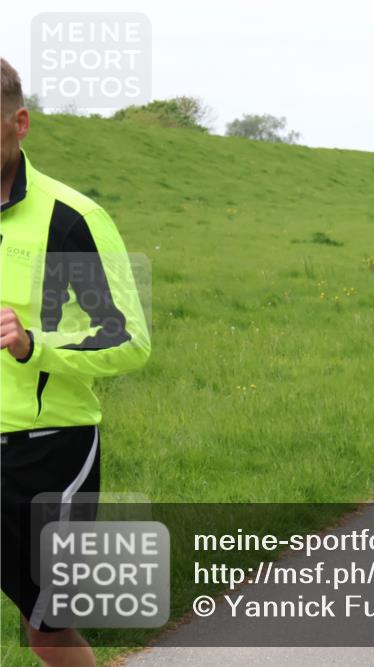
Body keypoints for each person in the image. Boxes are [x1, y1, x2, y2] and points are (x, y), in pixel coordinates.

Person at [0, 58, 151, 667]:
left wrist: (36, 344)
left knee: (48, 627)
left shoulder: (70, 220)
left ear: (20, 123)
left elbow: (128, 339)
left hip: (49, 450)